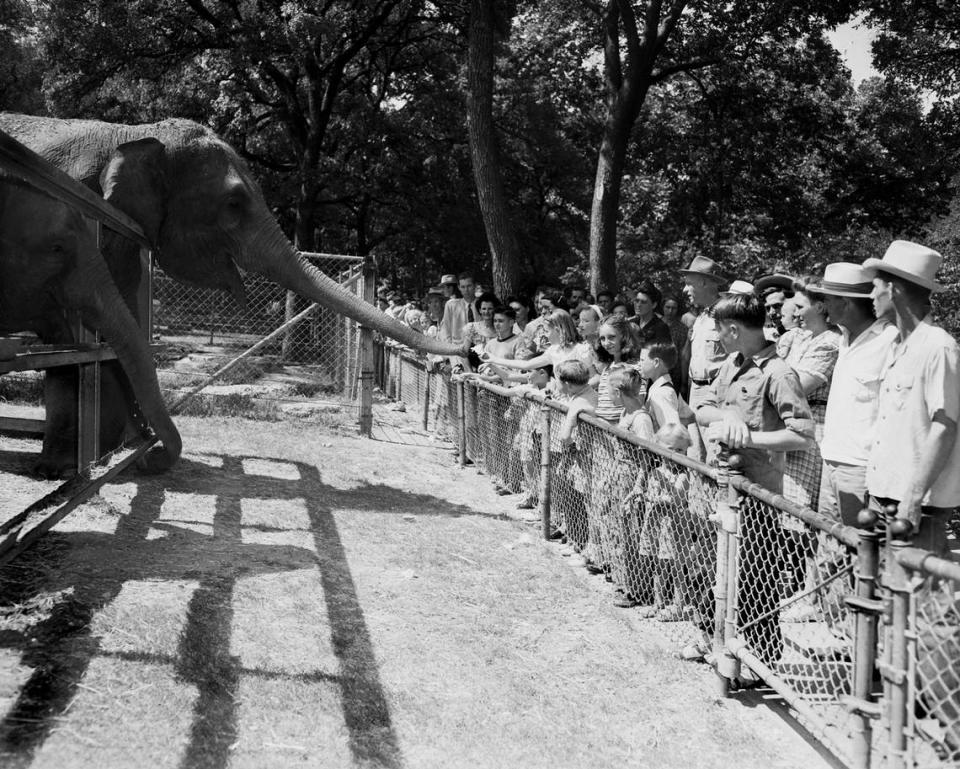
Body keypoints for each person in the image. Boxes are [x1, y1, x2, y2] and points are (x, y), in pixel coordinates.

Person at [694, 292, 814, 666]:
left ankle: (761, 661)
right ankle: (716, 643)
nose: (715, 336)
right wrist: (725, 419)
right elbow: (702, 409)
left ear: (733, 329)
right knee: (719, 571)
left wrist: (748, 437)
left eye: (718, 329)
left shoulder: (778, 373)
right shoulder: (731, 363)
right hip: (725, 484)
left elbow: (803, 435)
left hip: (757, 492)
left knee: (754, 578)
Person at [862, 241, 960, 556]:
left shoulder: (938, 347)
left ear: (894, 290)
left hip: (915, 506)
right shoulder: (897, 347)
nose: (870, 296)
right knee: (878, 596)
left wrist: (913, 498)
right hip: (882, 495)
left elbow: (944, 426)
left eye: (875, 287)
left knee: (917, 599)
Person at [814, 263, 897, 528]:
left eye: (827, 299)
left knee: (861, 548)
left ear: (846, 303)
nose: (823, 306)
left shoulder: (889, 341)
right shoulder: (843, 339)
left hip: (861, 467)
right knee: (829, 546)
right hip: (831, 460)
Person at [481, 309, 595, 396]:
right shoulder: (553, 351)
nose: (545, 335)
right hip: (562, 401)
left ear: (558, 330)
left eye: (547, 331)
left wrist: (577, 391)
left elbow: (595, 377)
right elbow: (526, 364)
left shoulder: (581, 350)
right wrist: (493, 359)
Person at [681, 256, 729, 409]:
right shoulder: (701, 317)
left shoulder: (727, 314)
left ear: (703, 282)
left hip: (716, 393)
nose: (685, 290)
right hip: (695, 390)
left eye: (689, 284)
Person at [593, 314, 643, 423]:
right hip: (602, 429)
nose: (606, 343)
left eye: (611, 337)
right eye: (602, 338)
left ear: (624, 336)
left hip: (620, 429)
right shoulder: (607, 367)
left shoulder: (633, 367)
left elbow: (638, 400)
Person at [438, 272, 476, 346]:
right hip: (458, 349)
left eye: (469, 286)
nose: (466, 290)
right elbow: (446, 331)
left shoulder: (482, 304)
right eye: (463, 287)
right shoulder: (450, 304)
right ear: (459, 287)